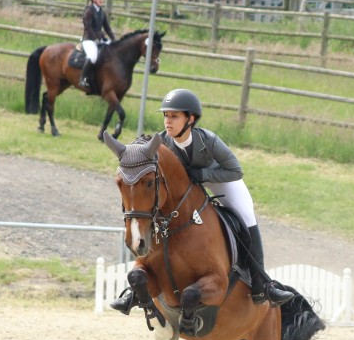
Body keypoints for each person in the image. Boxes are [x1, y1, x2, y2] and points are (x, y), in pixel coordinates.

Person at [109, 88, 295, 312]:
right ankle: (136, 289)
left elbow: (235, 171)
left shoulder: (208, 140)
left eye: (174, 116)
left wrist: (204, 176)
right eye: (166, 116)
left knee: (245, 215)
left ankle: (262, 283)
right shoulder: (162, 143)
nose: (168, 121)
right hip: (186, 187)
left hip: (220, 179)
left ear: (191, 119)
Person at [79, 0, 115, 90]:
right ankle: (83, 79)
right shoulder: (88, 11)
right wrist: (95, 39)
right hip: (89, 39)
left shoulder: (101, 12)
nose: (102, 0)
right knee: (93, 57)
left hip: (100, 38)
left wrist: (113, 38)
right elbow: (88, 27)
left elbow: (107, 27)